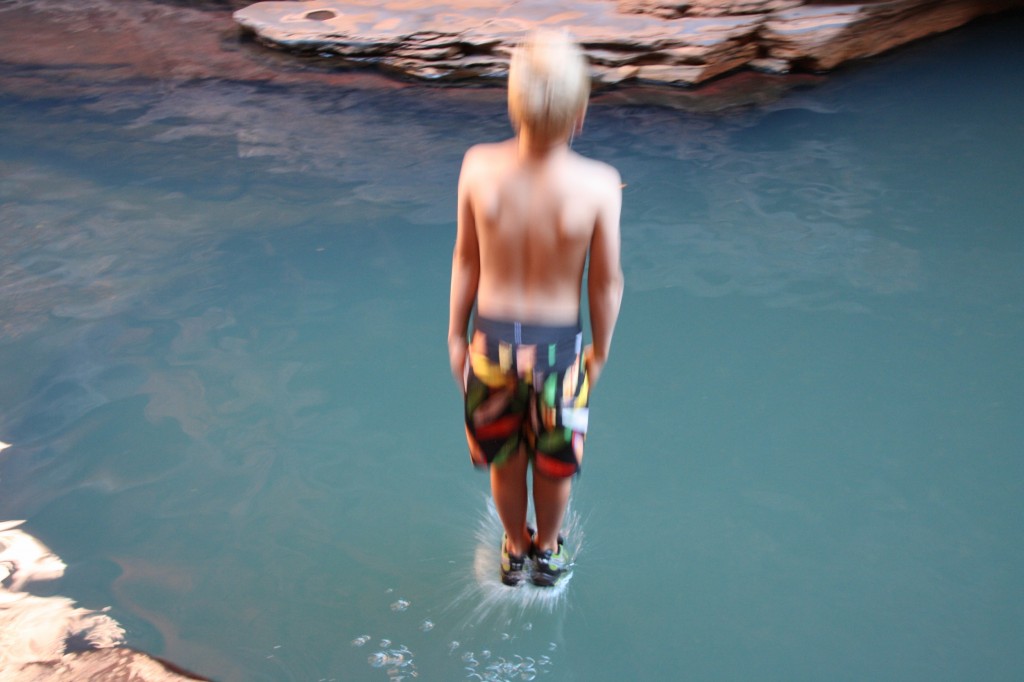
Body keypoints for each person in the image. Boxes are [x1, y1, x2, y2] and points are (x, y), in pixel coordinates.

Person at [448, 30, 624, 587]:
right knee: (553, 466)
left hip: (491, 346)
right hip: (559, 355)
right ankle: (547, 550)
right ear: (582, 114)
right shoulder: (599, 185)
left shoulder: (477, 167)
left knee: (506, 460)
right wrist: (600, 351)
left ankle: (515, 548)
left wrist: (456, 336)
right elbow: (606, 283)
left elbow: (465, 260)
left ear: (511, 102)